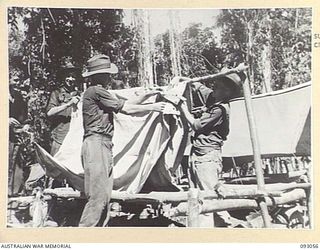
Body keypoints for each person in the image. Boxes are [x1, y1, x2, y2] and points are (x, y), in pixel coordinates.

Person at [79, 54, 166, 227]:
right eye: (107, 74)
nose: (110, 77)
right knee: (98, 195)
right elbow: (126, 108)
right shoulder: (96, 91)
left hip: (101, 144)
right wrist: (153, 107)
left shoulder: (100, 92)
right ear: (99, 75)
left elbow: (126, 102)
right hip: (96, 143)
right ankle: (84, 234)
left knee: (105, 194)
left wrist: (148, 94)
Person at [177, 71, 246, 227]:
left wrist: (183, 108)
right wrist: (187, 80)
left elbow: (196, 125)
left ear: (227, 92)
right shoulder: (214, 98)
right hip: (199, 154)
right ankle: (205, 228)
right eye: (216, 86)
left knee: (207, 197)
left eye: (219, 87)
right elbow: (200, 88)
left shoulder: (219, 110)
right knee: (196, 195)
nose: (214, 88)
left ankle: (222, 227)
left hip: (207, 157)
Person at [46, 59, 81, 156]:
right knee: (55, 165)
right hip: (59, 136)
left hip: (74, 135)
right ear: (63, 77)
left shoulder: (79, 94)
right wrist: (68, 104)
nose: (71, 79)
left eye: (73, 76)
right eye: (68, 76)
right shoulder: (56, 93)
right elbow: (49, 112)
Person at [8, 75, 29, 195]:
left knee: (16, 162)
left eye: (19, 80)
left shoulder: (19, 97)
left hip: (16, 135)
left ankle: (14, 192)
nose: (18, 83)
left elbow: (24, 117)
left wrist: (25, 126)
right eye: (15, 80)